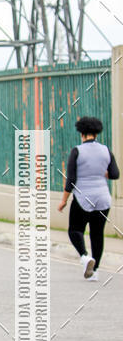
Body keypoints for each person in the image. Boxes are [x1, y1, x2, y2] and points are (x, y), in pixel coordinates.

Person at [58, 116, 119, 281]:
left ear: (82, 133)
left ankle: (85, 257)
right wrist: (101, 173)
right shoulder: (106, 150)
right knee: (97, 234)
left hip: (83, 197)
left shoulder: (77, 151)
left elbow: (71, 179)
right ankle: (95, 272)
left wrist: (63, 201)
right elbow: (115, 174)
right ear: (96, 133)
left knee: (75, 230)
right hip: (103, 198)